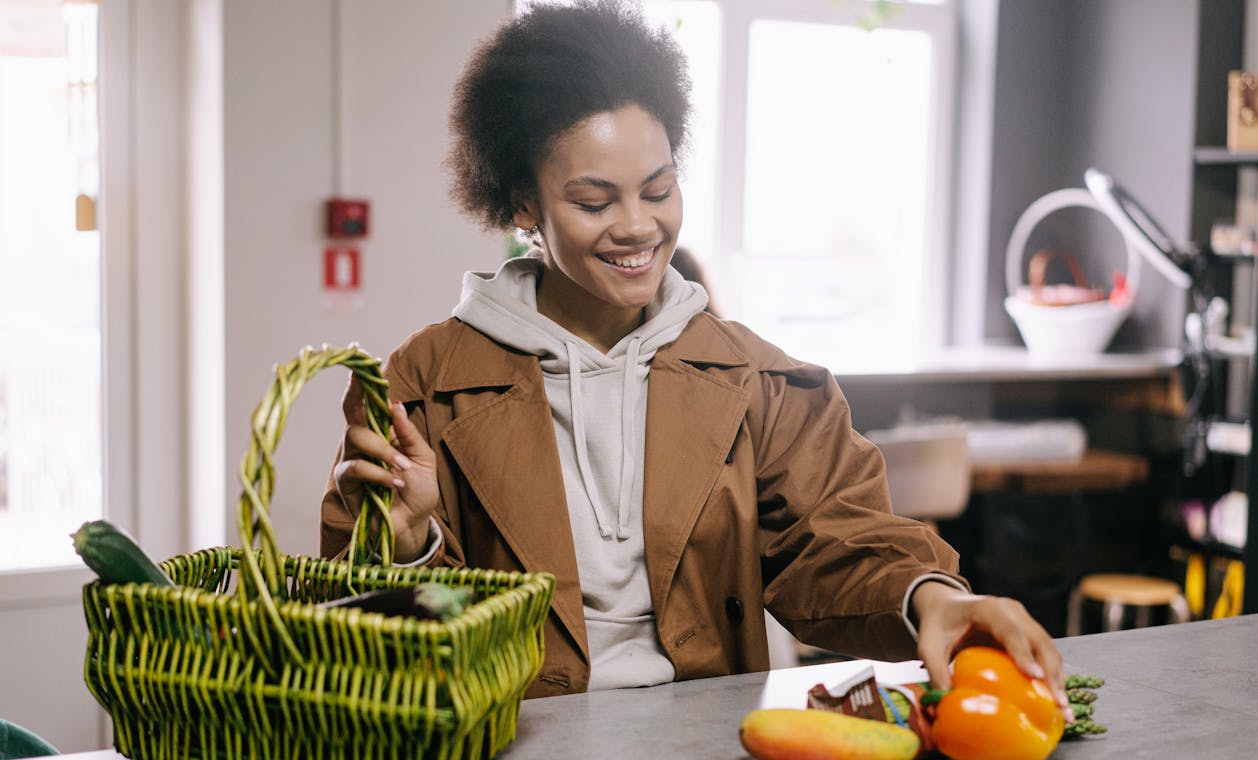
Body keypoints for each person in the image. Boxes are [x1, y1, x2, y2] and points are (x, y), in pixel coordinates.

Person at [320, 0, 1070, 713]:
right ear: (522, 205)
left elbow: (840, 542)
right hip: (511, 756)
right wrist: (409, 546)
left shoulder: (758, 382)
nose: (636, 226)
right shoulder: (420, 389)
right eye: (594, 201)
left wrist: (934, 598)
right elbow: (357, 637)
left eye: (658, 189)